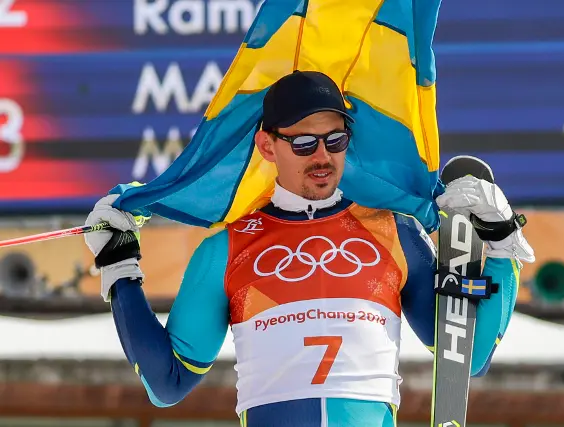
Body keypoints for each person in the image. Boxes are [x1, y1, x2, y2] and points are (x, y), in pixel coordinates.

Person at [84, 70, 534, 427]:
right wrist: (119, 266)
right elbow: (167, 382)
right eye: (303, 143)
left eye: (335, 140)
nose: (322, 157)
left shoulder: (396, 233)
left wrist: (501, 242)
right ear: (267, 145)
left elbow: (467, 359)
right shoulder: (226, 249)